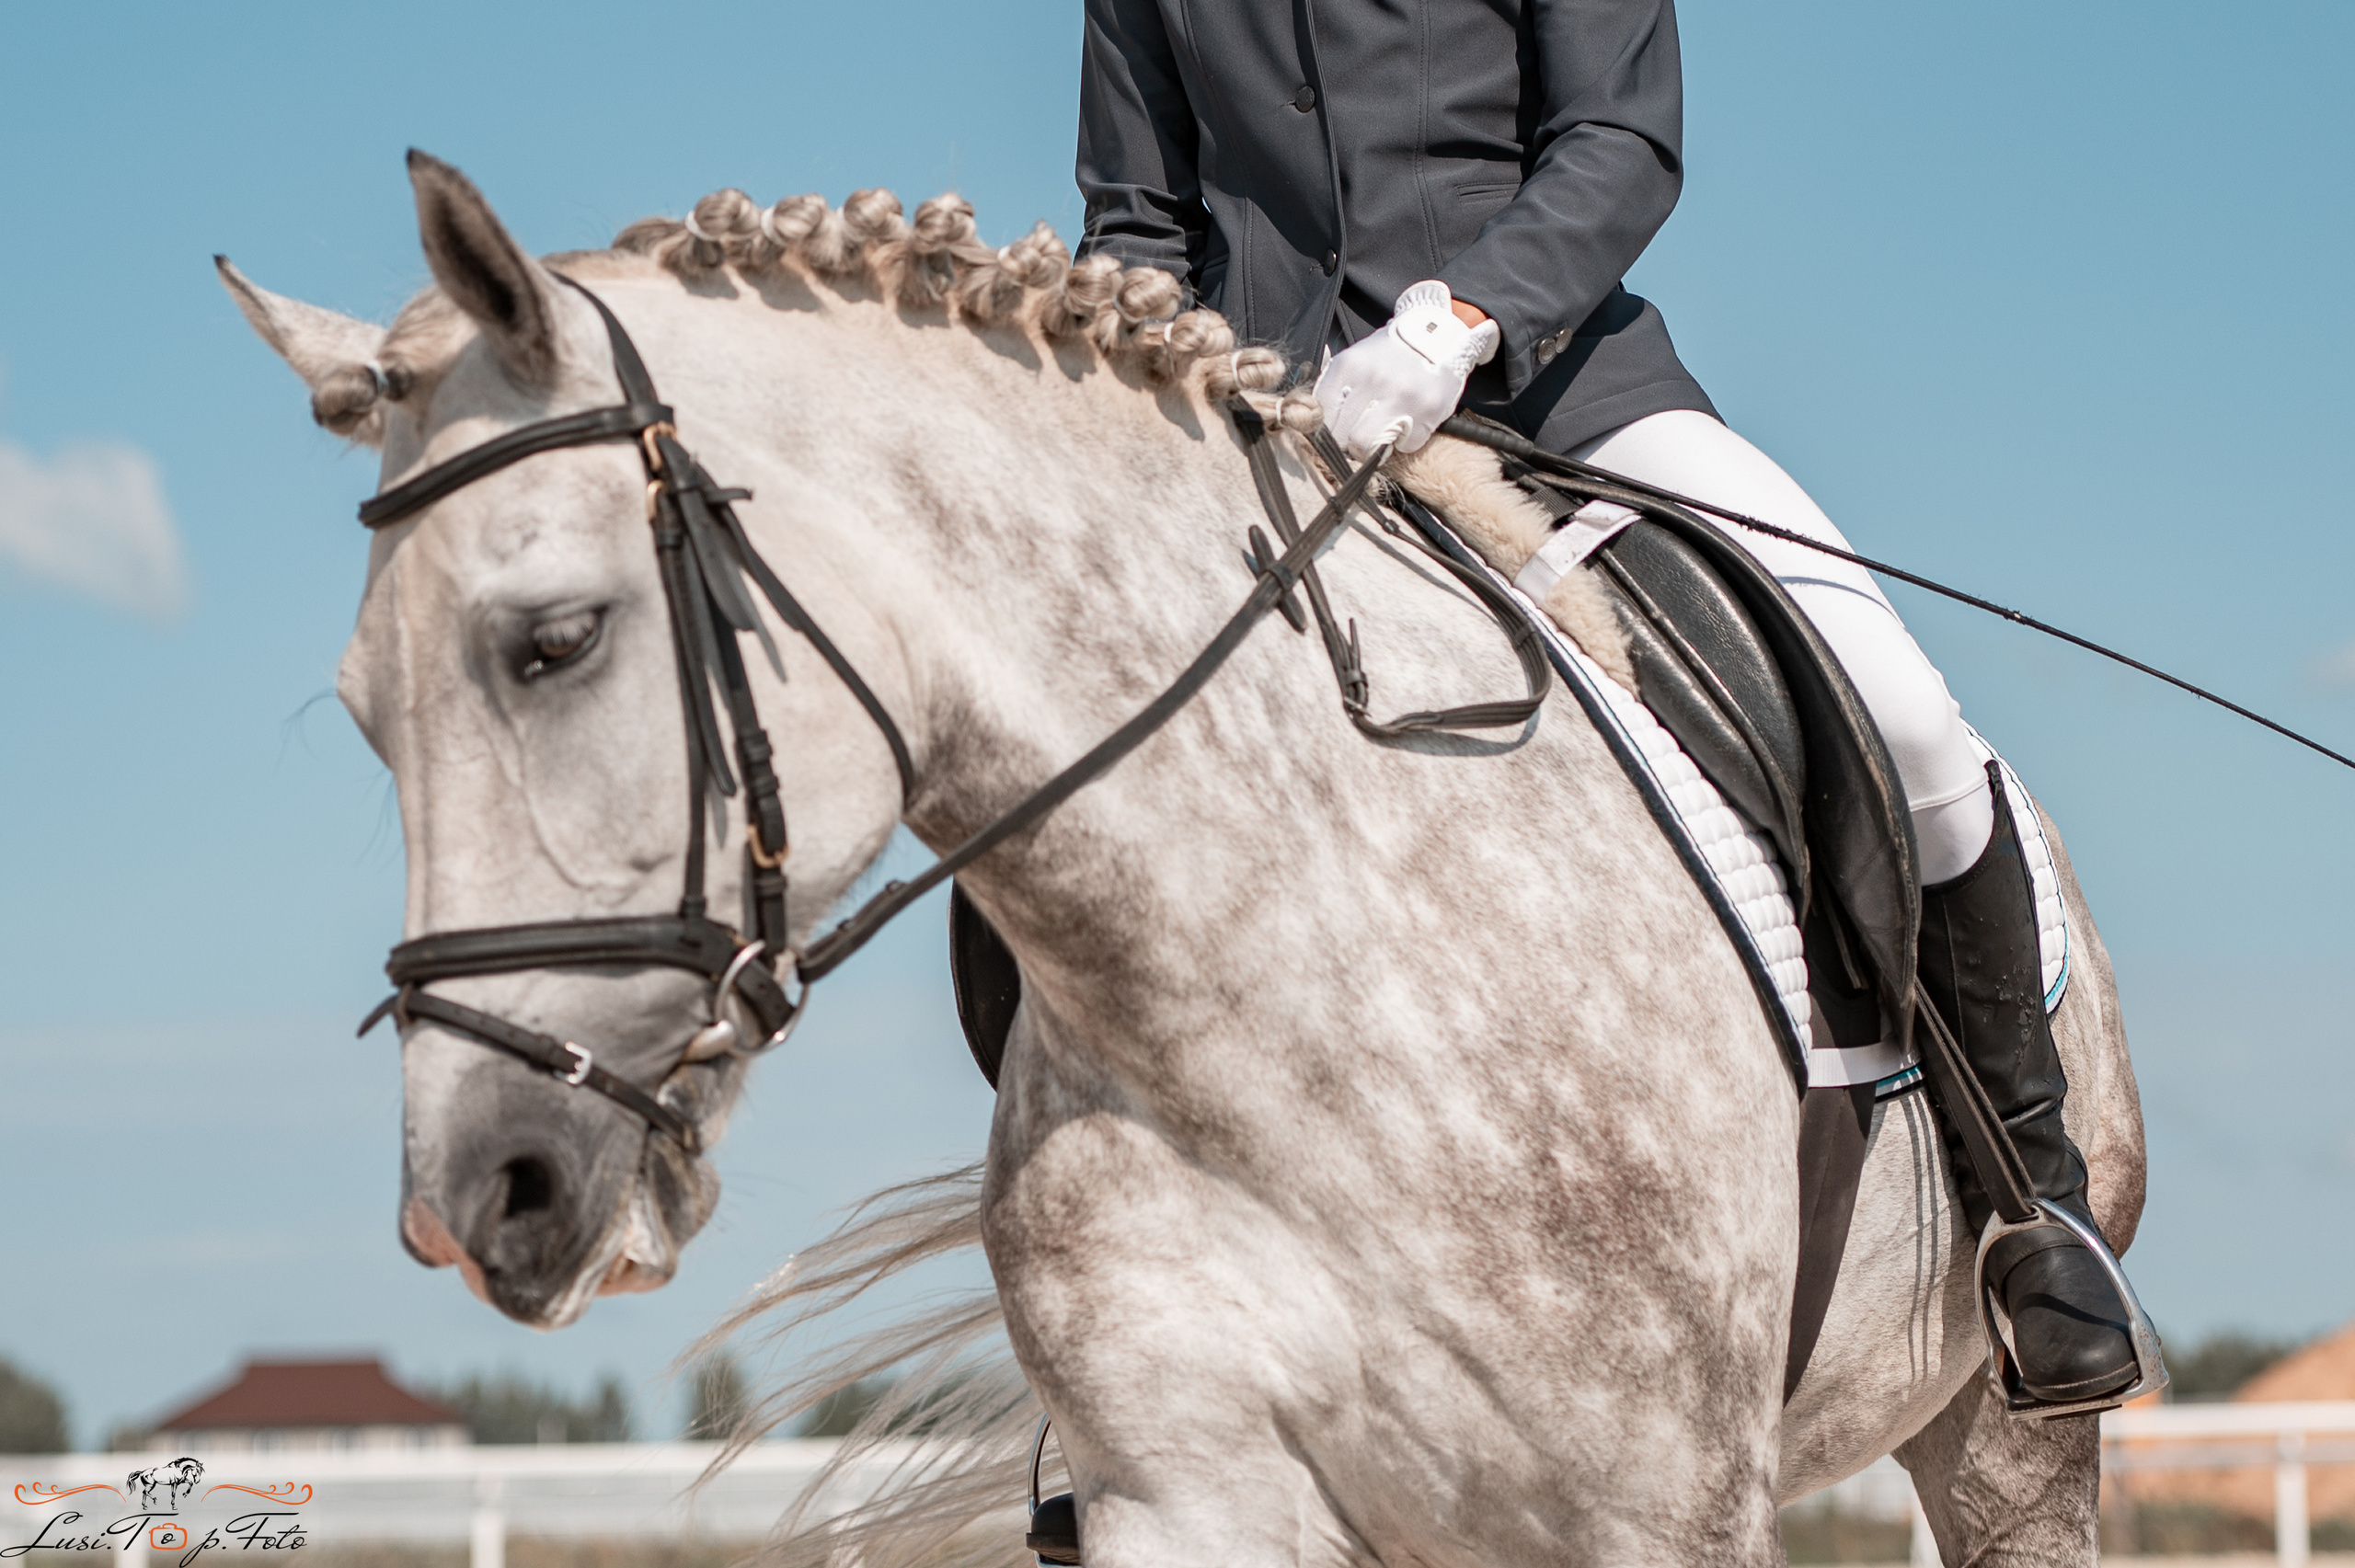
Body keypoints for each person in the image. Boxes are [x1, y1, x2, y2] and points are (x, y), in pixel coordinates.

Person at [1076, 0, 2139, 1403]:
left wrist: (1459, 318)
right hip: (1270, 428)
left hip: (1561, 387)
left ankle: (2028, 1199)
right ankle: (1117, 1330)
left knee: (1905, 715)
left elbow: (1622, 138)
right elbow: (1136, 222)